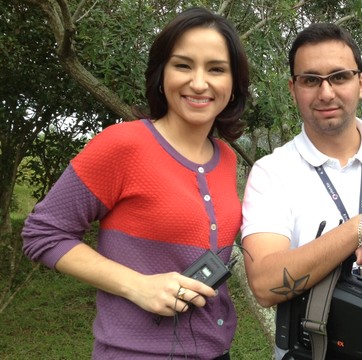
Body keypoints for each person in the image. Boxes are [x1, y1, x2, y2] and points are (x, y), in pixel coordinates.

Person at [22, 7, 249, 359]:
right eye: (183, 65)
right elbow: (42, 232)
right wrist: (138, 286)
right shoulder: (123, 145)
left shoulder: (226, 158)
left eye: (216, 69)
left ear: (233, 84)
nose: (200, 82)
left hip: (217, 351)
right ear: (161, 74)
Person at [240, 23, 362, 359]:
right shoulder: (271, 172)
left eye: (339, 77)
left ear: (360, 83)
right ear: (293, 88)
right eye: (310, 80)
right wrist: (360, 228)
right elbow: (263, 284)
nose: (326, 92)